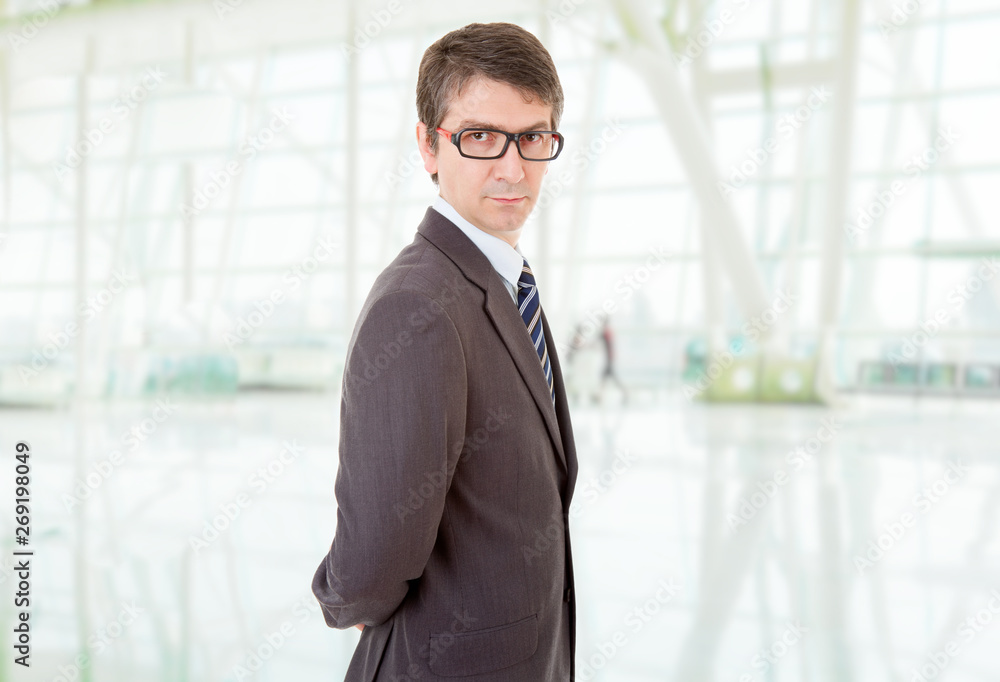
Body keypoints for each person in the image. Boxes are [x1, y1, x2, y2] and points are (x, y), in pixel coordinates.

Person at [312, 23, 579, 681]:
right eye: (480, 137)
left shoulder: (501, 282)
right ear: (429, 145)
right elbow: (372, 555)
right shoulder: (418, 306)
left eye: (533, 137)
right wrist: (347, 598)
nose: (513, 168)